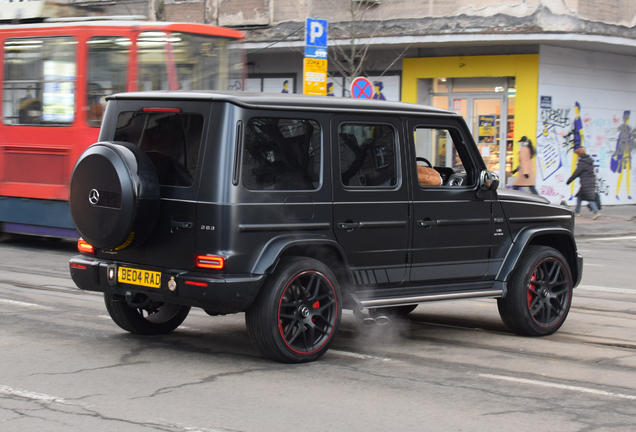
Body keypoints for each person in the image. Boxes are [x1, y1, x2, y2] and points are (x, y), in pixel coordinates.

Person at [567, 147, 600, 219]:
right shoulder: (589, 161)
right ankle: (577, 211)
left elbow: (577, 172)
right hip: (591, 181)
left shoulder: (582, 162)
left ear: (579, 154)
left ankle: (596, 211)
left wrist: (569, 180)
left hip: (586, 183)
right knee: (579, 196)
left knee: (590, 198)